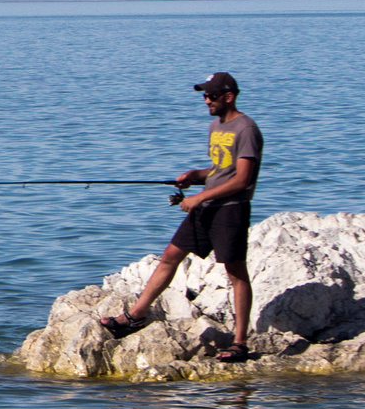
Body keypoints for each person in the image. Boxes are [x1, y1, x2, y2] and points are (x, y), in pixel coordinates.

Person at [99, 72, 264, 362]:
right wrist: (195, 176)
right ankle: (136, 316)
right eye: (205, 95)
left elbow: (242, 179)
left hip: (231, 209)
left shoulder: (246, 129)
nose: (207, 100)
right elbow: (220, 169)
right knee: (170, 256)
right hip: (207, 207)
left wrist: (199, 197)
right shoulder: (215, 126)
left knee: (236, 273)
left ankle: (240, 343)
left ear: (229, 97)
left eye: (212, 96)